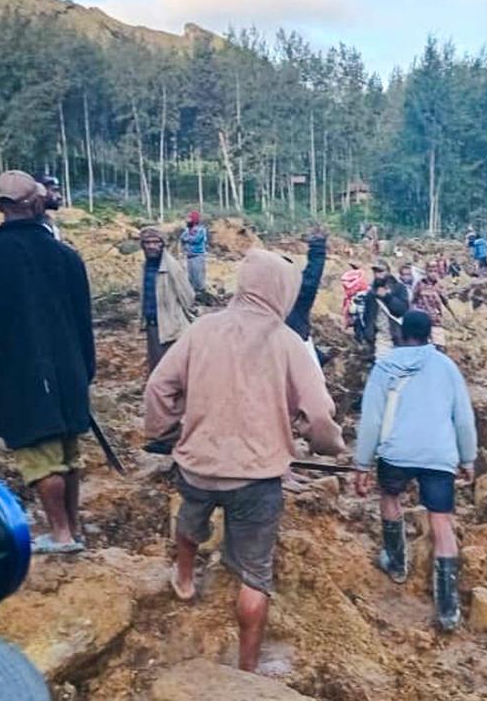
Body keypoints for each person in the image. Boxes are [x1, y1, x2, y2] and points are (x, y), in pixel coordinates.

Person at [144, 249, 347, 672]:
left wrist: (165, 433)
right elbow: (318, 414)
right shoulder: (289, 343)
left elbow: (158, 388)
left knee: (190, 522)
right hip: (257, 480)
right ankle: (248, 670)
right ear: (282, 292)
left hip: (197, 466)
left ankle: (184, 579)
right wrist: (330, 447)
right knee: (256, 574)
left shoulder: (202, 330)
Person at [0, 170, 96, 555]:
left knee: (40, 456)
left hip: (18, 375)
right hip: (68, 370)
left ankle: (62, 534)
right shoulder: (66, 256)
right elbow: (84, 322)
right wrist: (86, 369)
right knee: (68, 453)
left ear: (1, 206)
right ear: (36, 202)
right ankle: (72, 527)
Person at [354, 310, 477, 631]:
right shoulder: (447, 367)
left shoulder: (385, 366)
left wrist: (363, 464)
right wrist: (467, 458)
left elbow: (372, 419)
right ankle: (448, 609)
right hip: (439, 454)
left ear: (401, 332)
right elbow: (463, 417)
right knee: (441, 523)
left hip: (396, 451)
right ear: (429, 334)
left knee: (390, 497)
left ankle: (396, 562)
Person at [140, 228, 195, 374]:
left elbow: (188, 297)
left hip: (171, 327)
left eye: (155, 242)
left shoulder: (172, 267)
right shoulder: (145, 266)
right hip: (153, 325)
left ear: (162, 244)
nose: (151, 246)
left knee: (172, 371)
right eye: (147, 242)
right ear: (142, 245)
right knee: (157, 368)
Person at [286, 228, 328, 366]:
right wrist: (318, 247)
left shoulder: (296, 296)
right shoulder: (295, 296)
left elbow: (311, 278)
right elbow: (311, 278)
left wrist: (318, 248)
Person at [363, 260, 409, 360]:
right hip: (381, 337)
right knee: (382, 364)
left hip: (398, 336)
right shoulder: (371, 293)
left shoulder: (399, 288)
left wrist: (387, 297)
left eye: (380, 271)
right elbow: (367, 316)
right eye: (375, 272)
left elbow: (403, 309)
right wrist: (368, 334)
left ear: (388, 272)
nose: (377, 275)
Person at [412, 269, 452, 350]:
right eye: (430, 271)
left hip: (435, 319)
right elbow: (413, 299)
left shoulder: (439, 285)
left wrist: (452, 314)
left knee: (439, 345)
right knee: (422, 344)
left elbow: (445, 301)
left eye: (435, 271)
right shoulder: (420, 284)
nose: (433, 274)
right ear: (426, 272)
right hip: (422, 318)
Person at [181, 210, 208, 294]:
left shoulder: (201, 230)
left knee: (198, 275)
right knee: (191, 276)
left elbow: (196, 240)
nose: (187, 220)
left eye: (189, 218)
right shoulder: (187, 230)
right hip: (189, 256)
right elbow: (182, 237)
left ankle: (201, 292)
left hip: (198, 256)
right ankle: (192, 293)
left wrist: (187, 238)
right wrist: (188, 237)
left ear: (194, 219)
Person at [36, 174, 64, 241]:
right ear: (40, 192)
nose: (59, 197)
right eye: (54, 191)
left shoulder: (46, 221)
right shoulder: (32, 226)